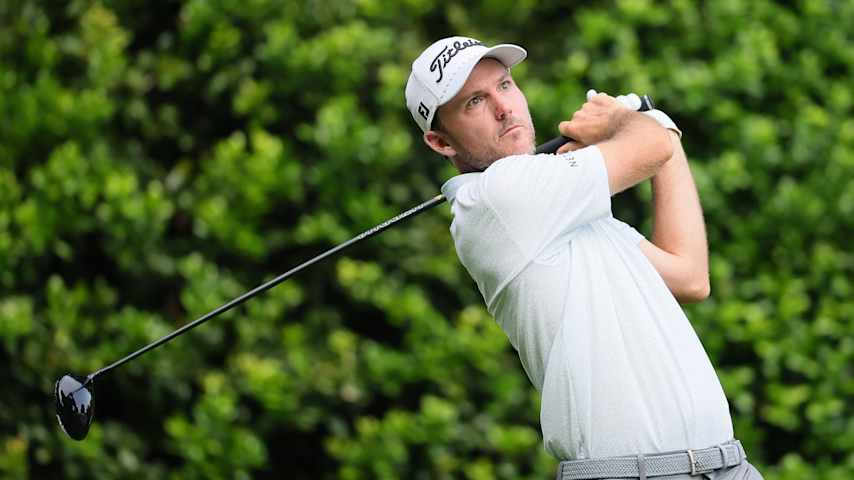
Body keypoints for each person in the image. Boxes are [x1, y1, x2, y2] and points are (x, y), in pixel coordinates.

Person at [405, 36, 764, 479]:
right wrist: (627, 121)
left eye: (505, 85)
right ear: (441, 142)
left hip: (728, 465)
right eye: (475, 102)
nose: (504, 108)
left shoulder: (567, 204)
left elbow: (689, 276)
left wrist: (657, 127)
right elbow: (649, 149)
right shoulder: (496, 199)